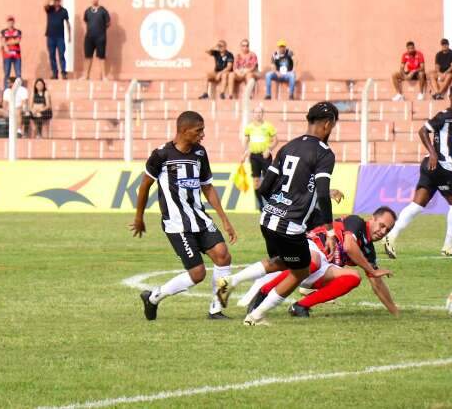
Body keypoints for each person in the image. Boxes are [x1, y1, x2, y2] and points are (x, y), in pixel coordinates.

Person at [215, 101, 339, 326]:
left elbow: (263, 188)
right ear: (328, 124)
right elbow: (322, 194)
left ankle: (231, 281)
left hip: (267, 219)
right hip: (289, 226)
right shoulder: (324, 153)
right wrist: (330, 232)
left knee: (282, 261)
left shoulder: (288, 147)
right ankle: (256, 316)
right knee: (300, 272)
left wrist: (285, 197)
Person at [130, 111, 238, 321]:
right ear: (183, 130)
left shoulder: (200, 153)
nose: (202, 135)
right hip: (177, 223)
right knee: (198, 274)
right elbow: (144, 187)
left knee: (223, 255)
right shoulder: (161, 155)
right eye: (199, 130)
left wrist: (224, 219)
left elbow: (207, 187)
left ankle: (216, 310)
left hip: (200, 218)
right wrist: (139, 217)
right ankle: (153, 298)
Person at [242, 208, 398, 318]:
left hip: (321, 268)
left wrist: (395, 312)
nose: (383, 231)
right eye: (382, 225)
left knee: (354, 277)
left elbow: (377, 283)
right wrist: (372, 269)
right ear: (372, 219)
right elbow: (349, 246)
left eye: (388, 230)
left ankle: (300, 306)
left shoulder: (369, 250)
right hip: (307, 249)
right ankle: (264, 292)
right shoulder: (356, 222)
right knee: (314, 260)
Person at [384, 84, 452, 259]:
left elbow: (451, 137)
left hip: (430, 166)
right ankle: (449, 245)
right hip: (442, 166)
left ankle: (391, 236)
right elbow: (422, 131)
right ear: (450, 97)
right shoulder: (444, 116)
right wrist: (433, 153)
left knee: (417, 206)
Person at [242, 106, 278, 211]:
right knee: (256, 181)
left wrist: (269, 149)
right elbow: (246, 141)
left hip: (265, 155)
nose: (258, 114)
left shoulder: (268, 126)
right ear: (253, 114)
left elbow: (276, 140)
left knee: (269, 179)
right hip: (254, 156)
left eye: (260, 112)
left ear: (263, 114)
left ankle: (271, 202)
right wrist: (246, 152)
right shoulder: (249, 127)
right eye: (256, 112)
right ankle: (260, 204)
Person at [82, 0, 110, 81]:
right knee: (87, 57)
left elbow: (108, 23)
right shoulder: (87, 11)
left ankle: (104, 76)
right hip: (89, 37)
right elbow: (86, 21)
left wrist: (101, 30)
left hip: (100, 37)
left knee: (101, 57)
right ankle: (86, 76)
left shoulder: (103, 10)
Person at [44, 0, 71, 80]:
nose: (56, 1)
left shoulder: (64, 11)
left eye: (58, 0)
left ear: (60, 1)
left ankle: (63, 72)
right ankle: (54, 73)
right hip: (50, 36)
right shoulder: (50, 9)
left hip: (60, 37)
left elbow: (67, 23)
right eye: (55, 0)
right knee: (52, 55)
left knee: (61, 54)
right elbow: (44, 4)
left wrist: (69, 35)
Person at [1, 16, 22, 91]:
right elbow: (2, 42)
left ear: (14, 22)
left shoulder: (18, 31)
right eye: (9, 21)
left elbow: (17, 41)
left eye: (12, 21)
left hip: (17, 55)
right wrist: (8, 42)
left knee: (18, 74)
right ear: (7, 22)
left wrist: (7, 42)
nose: (10, 23)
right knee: (6, 73)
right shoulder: (4, 31)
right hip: (7, 55)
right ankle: (6, 90)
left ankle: (19, 89)